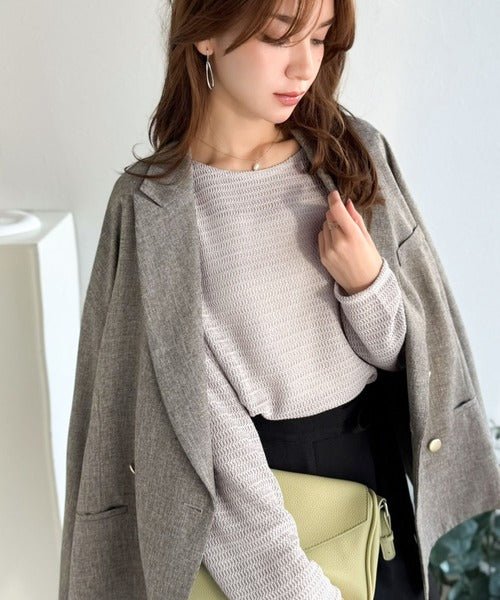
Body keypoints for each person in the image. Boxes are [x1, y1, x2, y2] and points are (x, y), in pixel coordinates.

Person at [58, 0, 500, 599]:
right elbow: (201, 442)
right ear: (205, 34)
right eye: (279, 37)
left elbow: (407, 359)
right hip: (251, 512)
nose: (304, 67)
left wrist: (366, 285)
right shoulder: (154, 211)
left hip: (375, 487)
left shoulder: (350, 155)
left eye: (319, 39)